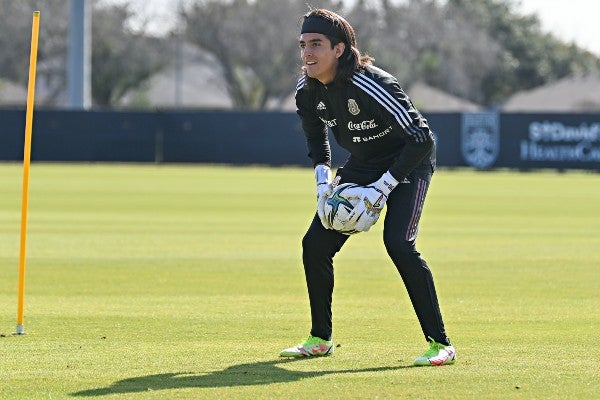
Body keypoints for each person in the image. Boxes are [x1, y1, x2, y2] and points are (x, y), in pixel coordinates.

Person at [279, 8, 456, 366]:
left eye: (316, 44)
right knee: (314, 244)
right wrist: (321, 183)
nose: (307, 53)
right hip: (363, 164)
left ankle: (441, 344)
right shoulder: (306, 90)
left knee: (399, 245)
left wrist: (385, 187)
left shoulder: (372, 83)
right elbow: (317, 140)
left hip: (408, 161)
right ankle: (320, 338)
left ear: (339, 49)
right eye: (303, 45)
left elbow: (421, 139)